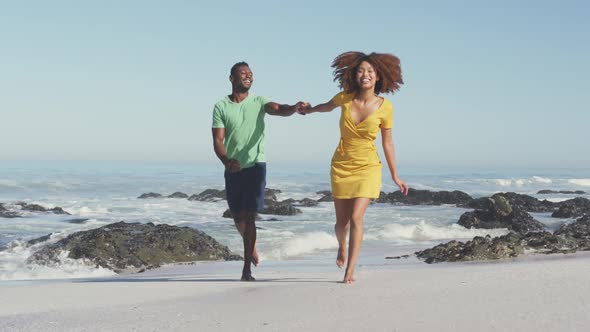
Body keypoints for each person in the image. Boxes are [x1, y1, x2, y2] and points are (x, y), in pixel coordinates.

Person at [298, 52, 409, 284]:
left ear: (378, 76)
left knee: (357, 218)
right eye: (361, 71)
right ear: (354, 75)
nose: (365, 74)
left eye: (370, 71)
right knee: (342, 223)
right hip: (342, 163)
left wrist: (395, 176)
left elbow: (387, 142)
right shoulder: (345, 98)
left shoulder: (386, 107)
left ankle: (350, 270)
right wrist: (308, 110)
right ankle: (342, 246)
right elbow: (326, 107)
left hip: (368, 166)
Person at [212, 61, 307, 281]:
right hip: (233, 167)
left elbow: (278, 109)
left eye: (251, 74)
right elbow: (218, 139)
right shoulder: (221, 106)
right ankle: (251, 245)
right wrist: (226, 160)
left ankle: (246, 269)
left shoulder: (259, 101)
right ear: (231, 78)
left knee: (249, 216)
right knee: (236, 215)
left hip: (256, 165)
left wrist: (293, 108)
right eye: (243, 73)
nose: (248, 76)